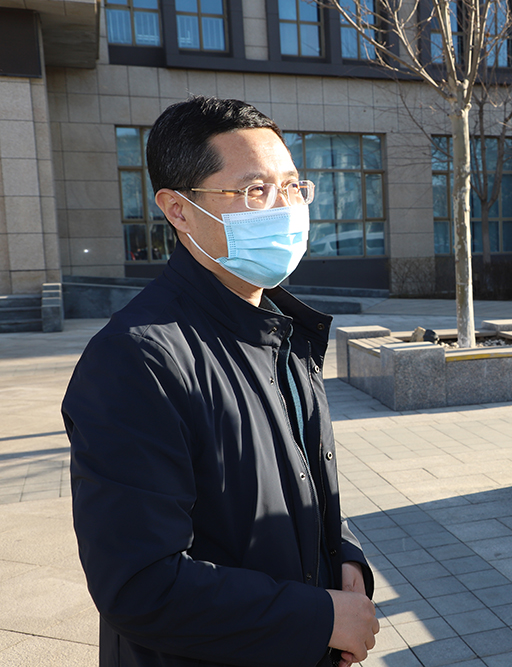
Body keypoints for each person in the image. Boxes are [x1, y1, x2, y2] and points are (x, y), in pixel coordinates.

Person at [62, 96, 379, 667]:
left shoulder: (280, 330)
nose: (285, 208)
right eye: (255, 190)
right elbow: (141, 585)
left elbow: (292, 482)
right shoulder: (135, 360)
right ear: (179, 210)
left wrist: (344, 555)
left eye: (292, 187)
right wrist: (319, 617)